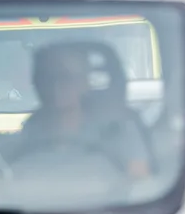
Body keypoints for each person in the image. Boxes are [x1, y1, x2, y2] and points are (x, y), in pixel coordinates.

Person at [13, 43, 151, 179]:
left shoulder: (118, 125)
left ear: (84, 82)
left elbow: (139, 181)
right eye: (46, 78)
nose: (56, 85)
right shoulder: (32, 127)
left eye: (66, 77)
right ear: (36, 83)